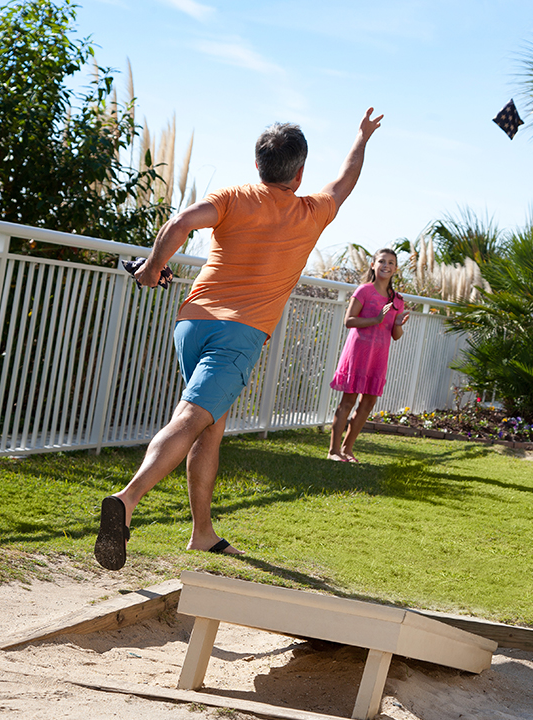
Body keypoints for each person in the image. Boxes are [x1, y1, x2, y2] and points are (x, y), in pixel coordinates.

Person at [93, 108, 384, 571]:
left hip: (191, 323)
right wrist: (362, 137)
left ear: (258, 165)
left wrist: (151, 270)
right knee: (192, 418)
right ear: (301, 171)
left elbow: (180, 223)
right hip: (240, 334)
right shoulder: (312, 211)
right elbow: (346, 178)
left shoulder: (232, 196)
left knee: (211, 425)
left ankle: (202, 533)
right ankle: (126, 501)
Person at [327, 248, 410, 462]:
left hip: (379, 356)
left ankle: (347, 449)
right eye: (382, 261)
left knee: (369, 402)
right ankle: (333, 452)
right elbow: (349, 321)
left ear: (395, 269)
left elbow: (396, 335)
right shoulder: (364, 291)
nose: (386, 265)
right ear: (373, 265)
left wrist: (398, 324)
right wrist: (374, 320)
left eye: (391, 262)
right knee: (349, 400)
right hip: (358, 352)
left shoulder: (397, 300)